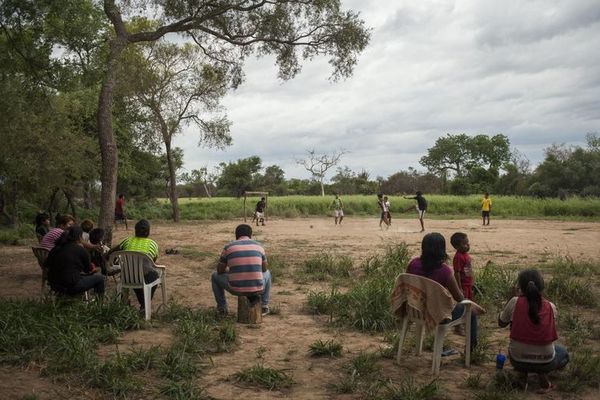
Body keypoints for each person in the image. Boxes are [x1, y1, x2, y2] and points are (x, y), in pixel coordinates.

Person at [406, 232, 484, 351]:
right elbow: (459, 298)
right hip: (437, 315)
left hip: (415, 309)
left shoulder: (413, 264)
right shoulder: (444, 271)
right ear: (442, 250)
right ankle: (472, 350)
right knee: (471, 312)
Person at [498, 269, 569, 393]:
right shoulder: (550, 306)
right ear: (541, 287)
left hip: (518, 359)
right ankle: (542, 375)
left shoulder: (515, 301)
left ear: (520, 287)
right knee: (563, 353)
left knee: (522, 346)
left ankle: (523, 376)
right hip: (546, 360)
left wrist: (511, 298)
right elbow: (545, 330)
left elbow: (501, 323)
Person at [211, 224, 272, 316]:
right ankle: (264, 305)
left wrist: (231, 270)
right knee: (267, 273)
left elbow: (220, 271)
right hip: (258, 288)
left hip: (236, 289)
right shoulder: (259, 246)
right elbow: (264, 269)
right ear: (250, 235)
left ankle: (222, 308)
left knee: (215, 276)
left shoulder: (228, 247)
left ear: (236, 235)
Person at [108, 219, 159, 313]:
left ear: (135, 231)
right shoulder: (153, 244)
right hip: (144, 276)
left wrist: (111, 260)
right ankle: (144, 306)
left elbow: (111, 253)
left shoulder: (126, 241)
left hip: (127, 276)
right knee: (153, 275)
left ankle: (142, 305)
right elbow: (152, 263)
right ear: (148, 231)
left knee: (134, 276)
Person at [46, 226, 105, 297]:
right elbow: (88, 270)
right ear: (80, 237)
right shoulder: (80, 250)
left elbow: (46, 265)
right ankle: (99, 305)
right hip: (71, 286)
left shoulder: (55, 249)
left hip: (54, 285)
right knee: (100, 278)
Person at [450, 232, 474, 301]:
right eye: (465, 244)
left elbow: (469, 269)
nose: (468, 245)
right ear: (456, 247)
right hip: (464, 285)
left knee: (470, 301)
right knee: (465, 302)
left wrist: (472, 281)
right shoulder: (458, 257)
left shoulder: (465, 254)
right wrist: (459, 288)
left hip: (469, 283)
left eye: (468, 243)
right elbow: (457, 273)